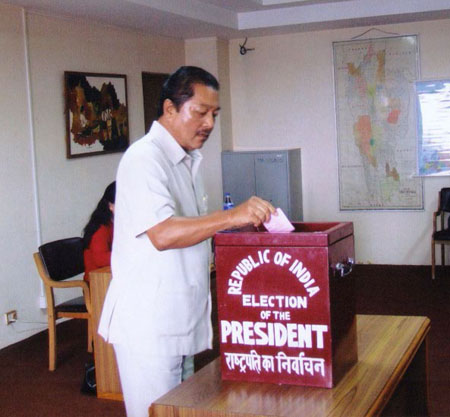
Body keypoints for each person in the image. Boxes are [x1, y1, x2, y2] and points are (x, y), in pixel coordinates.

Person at [98, 66, 275, 417]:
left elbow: (194, 229)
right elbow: (162, 233)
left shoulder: (186, 160)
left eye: (214, 114)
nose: (209, 123)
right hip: (150, 326)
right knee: (156, 412)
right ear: (169, 109)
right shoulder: (144, 158)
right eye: (200, 112)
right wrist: (231, 217)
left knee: (182, 410)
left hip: (179, 318)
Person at [82, 181, 115, 282]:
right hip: (97, 282)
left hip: (109, 276)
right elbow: (100, 260)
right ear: (111, 205)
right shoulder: (101, 229)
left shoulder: (115, 223)